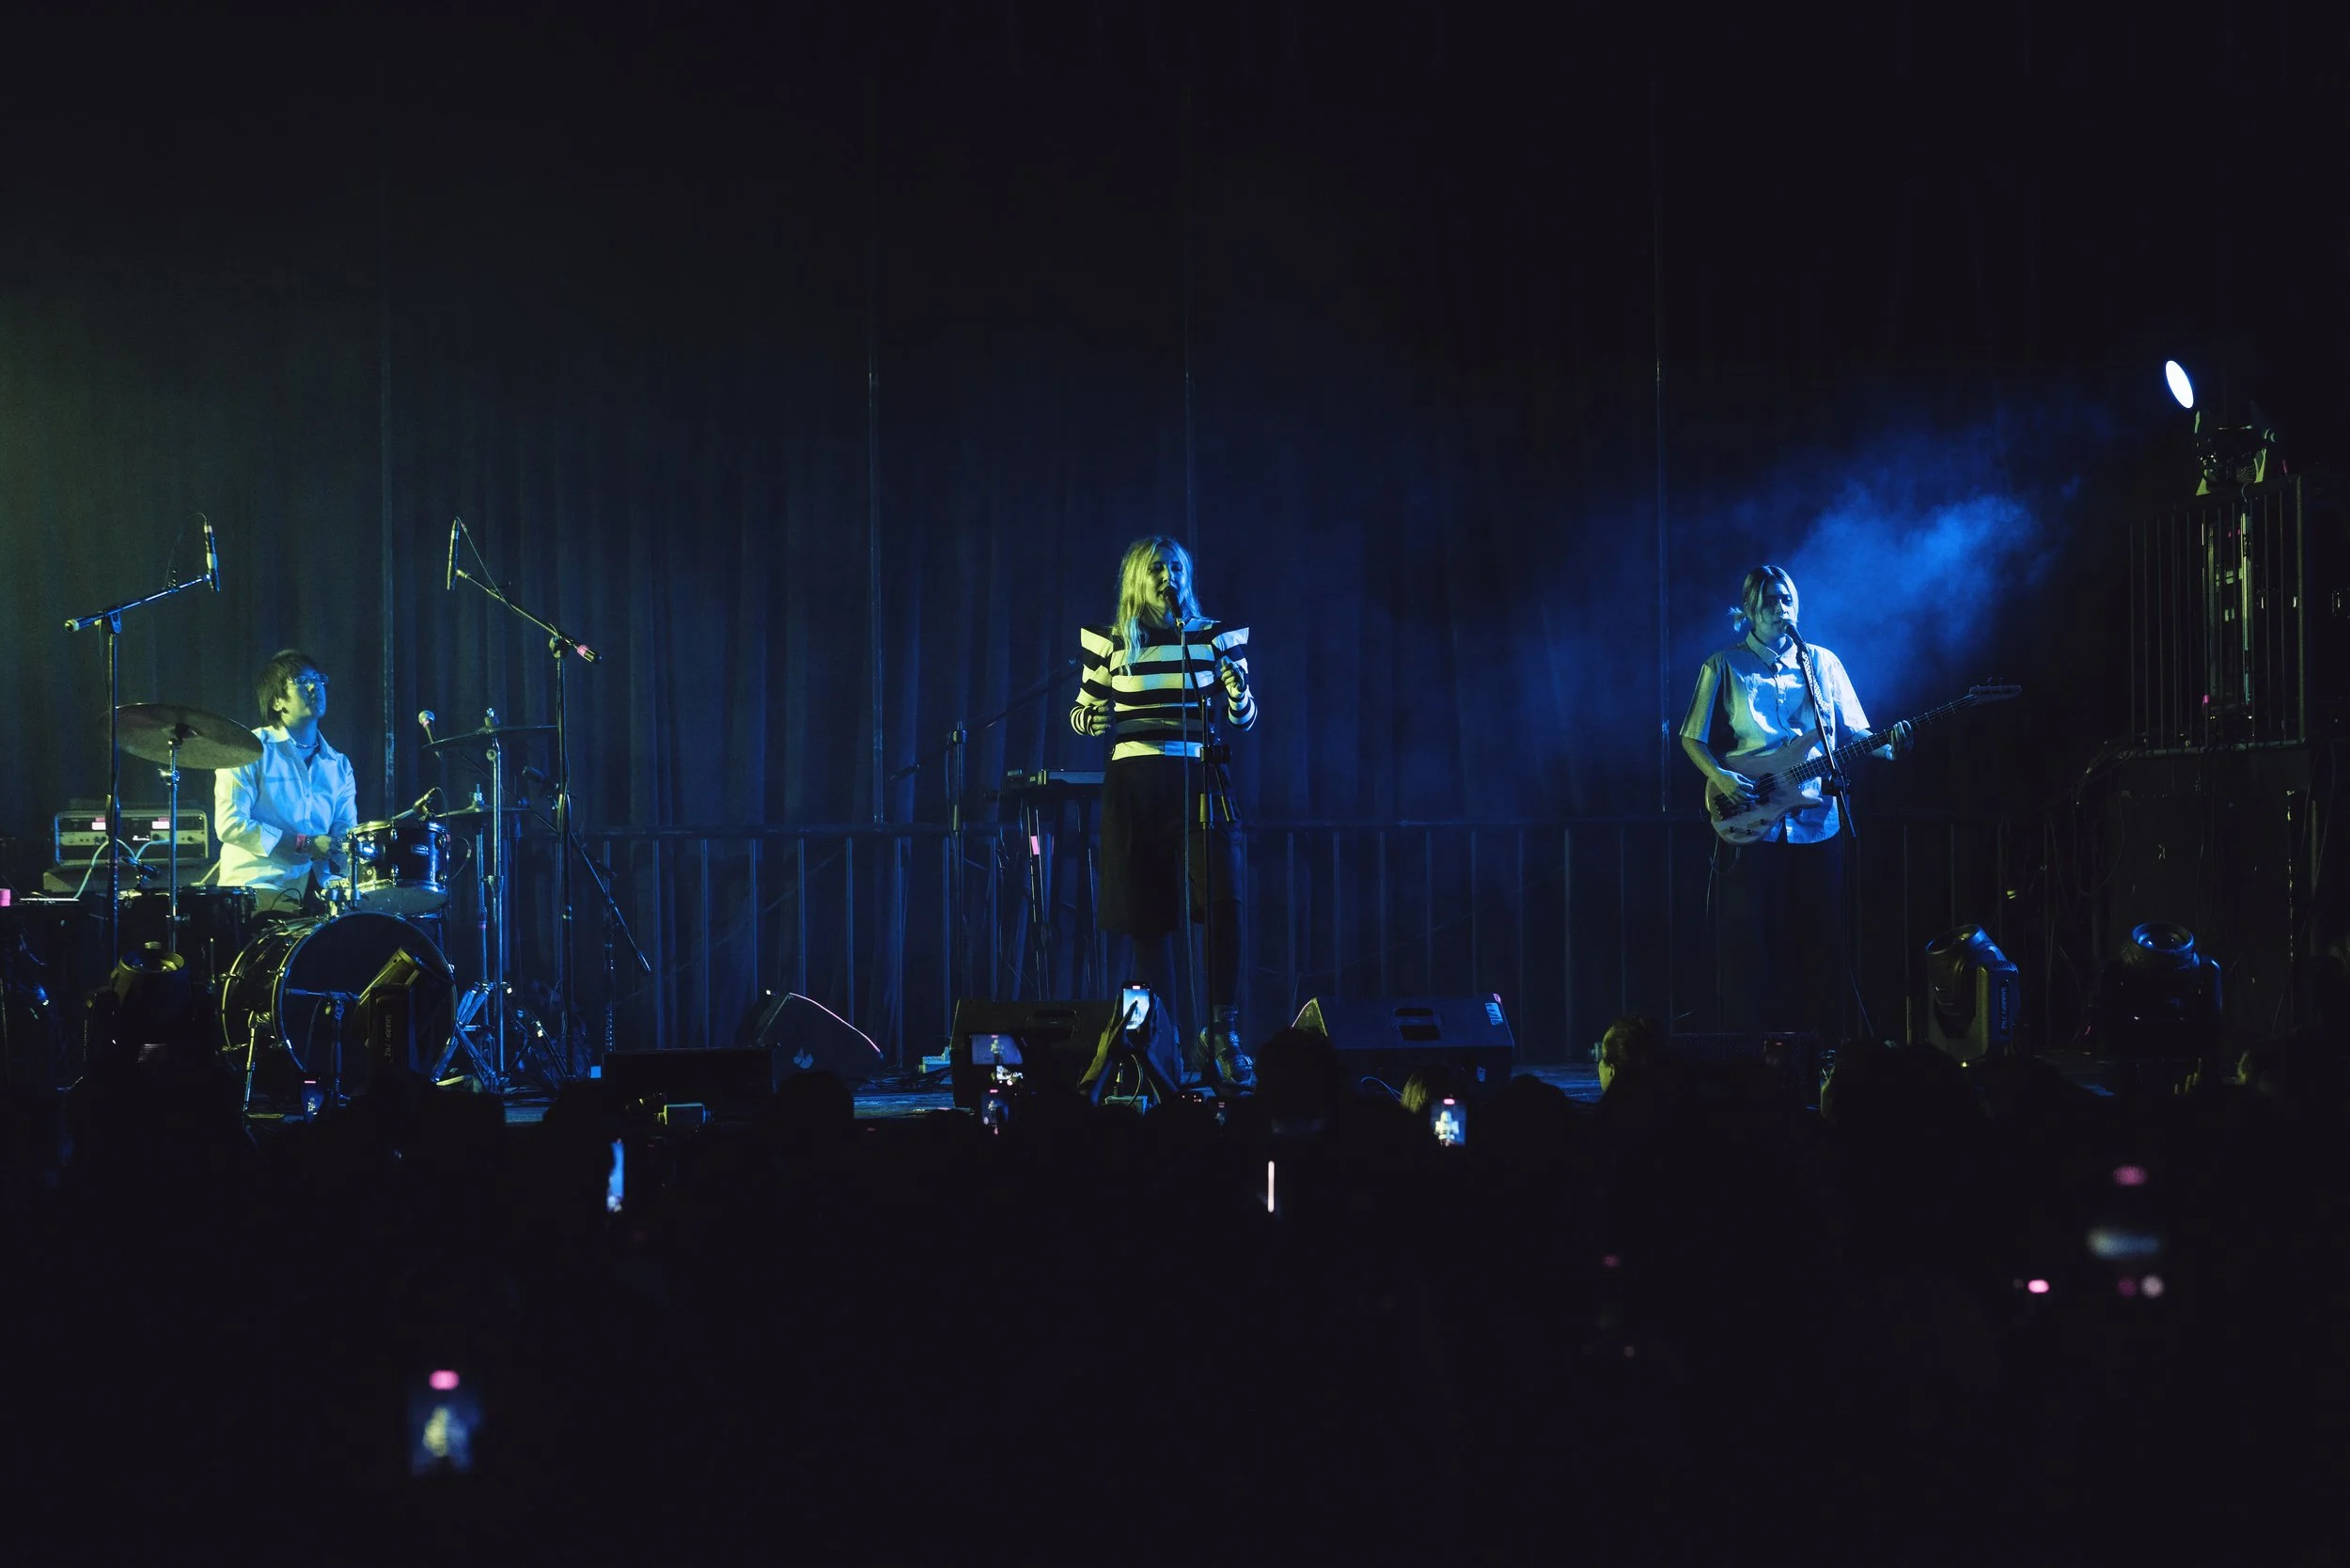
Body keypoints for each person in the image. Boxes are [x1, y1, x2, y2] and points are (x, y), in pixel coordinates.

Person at [1678, 567, 1909, 1041]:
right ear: (1749, 609)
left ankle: (1825, 1051)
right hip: (1752, 812)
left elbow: (1856, 732)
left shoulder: (1822, 662)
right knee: (1750, 943)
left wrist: (1890, 747)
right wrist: (1722, 778)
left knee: (1822, 939)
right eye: (1768, 600)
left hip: (1816, 818)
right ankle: (1750, 1053)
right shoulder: (1723, 664)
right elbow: (1691, 737)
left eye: (1786, 599)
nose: (1780, 608)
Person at [1070, 536, 1257, 1090]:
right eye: (1156, 568)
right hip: (1135, 785)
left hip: (1199, 778)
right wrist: (1092, 720)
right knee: (1147, 918)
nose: (1167, 576)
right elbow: (1082, 713)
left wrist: (1237, 692)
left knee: (1222, 903)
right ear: (1136, 576)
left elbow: (1244, 718)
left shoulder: (1212, 637)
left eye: (1175, 567)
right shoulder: (1110, 643)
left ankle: (1222, 1033)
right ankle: (1159, 1038)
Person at [214, 650, 358, 914]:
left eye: (318, 679)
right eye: (302, 681)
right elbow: (230, 824)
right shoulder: (248, 749)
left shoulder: (339, 765)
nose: (315, 687)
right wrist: (304, 844)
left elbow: (345, 831)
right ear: (277, 701)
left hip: (316, 891)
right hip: (257, 887)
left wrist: (351, 855)